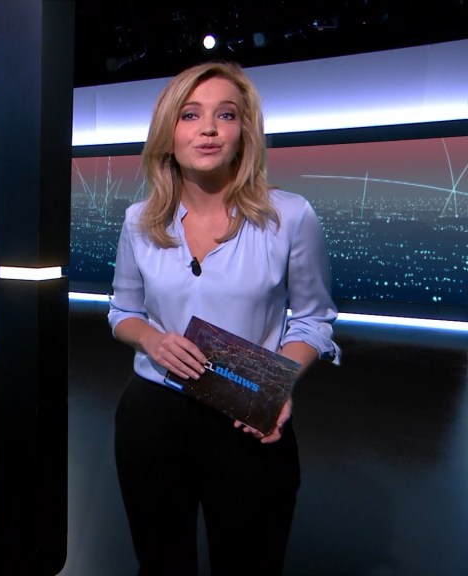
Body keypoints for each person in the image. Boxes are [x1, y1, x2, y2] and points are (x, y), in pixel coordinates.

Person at [108, 61, 340, 576]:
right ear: (168, 133)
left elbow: (313, 321)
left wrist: (273, 386)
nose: (209, 129)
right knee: (160, 565)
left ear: (244, 131)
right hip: (153, 415)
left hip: (247, 413)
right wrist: (151, 339)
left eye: (226, 115)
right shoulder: (139, 221)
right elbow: (122, 312)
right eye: (190, 115)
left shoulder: (290, 216)